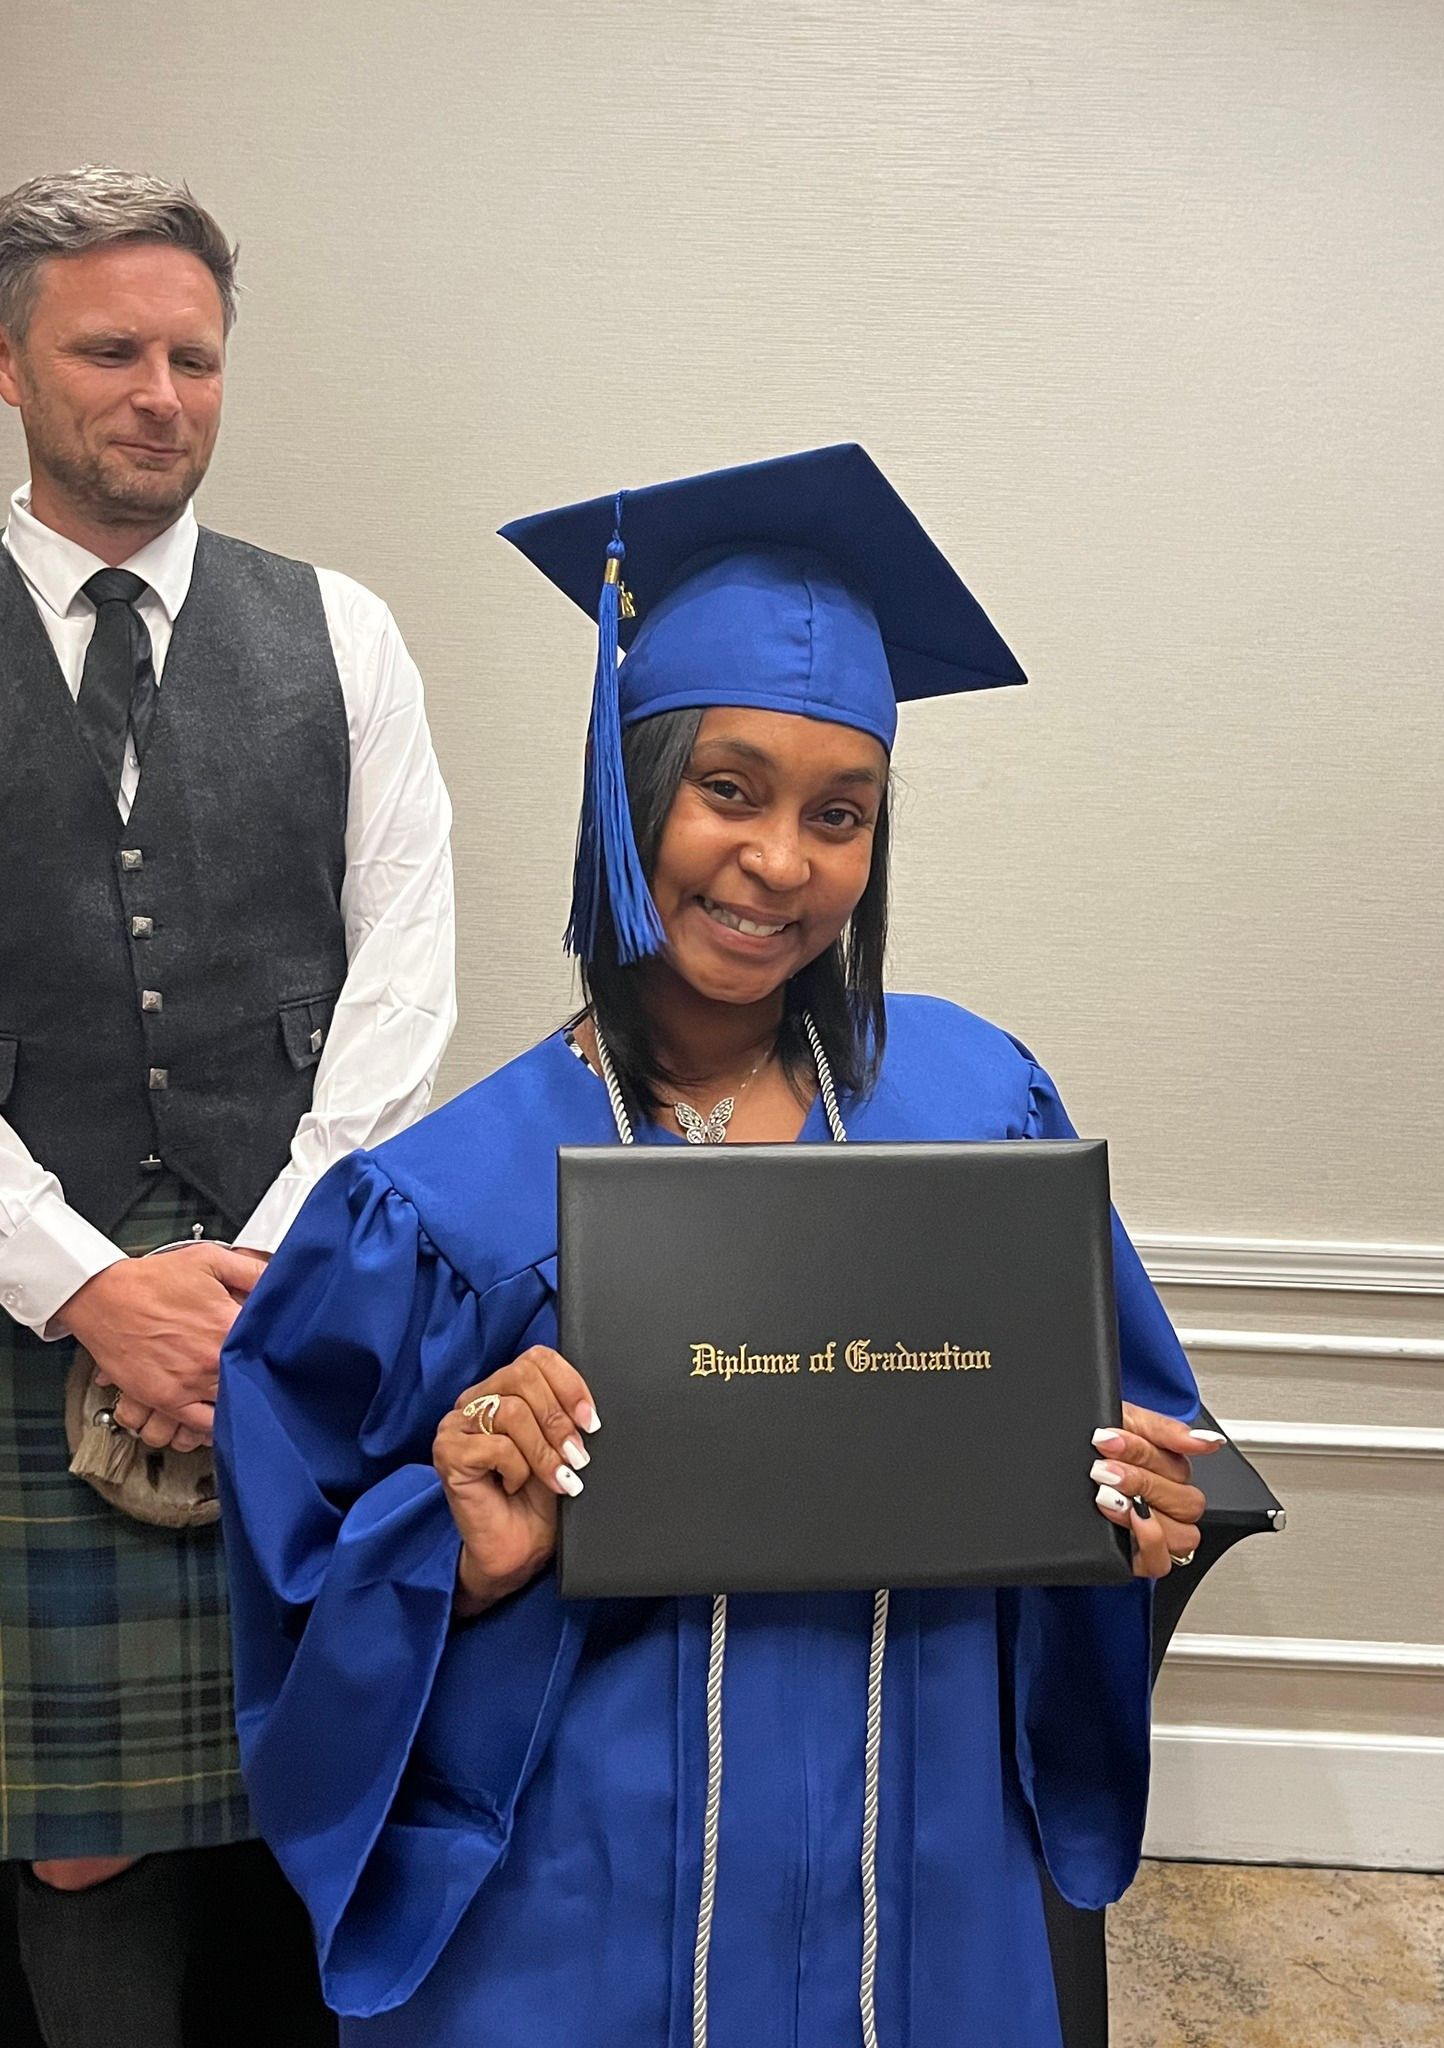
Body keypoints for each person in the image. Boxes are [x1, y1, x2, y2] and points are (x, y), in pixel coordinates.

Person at [218, 444, 1218, 2047]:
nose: (780, 863)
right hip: (571, 1924)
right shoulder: (447, 1203)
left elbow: (1148, 1448)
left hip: (921, 1899)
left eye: (843, 813)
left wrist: (1147, 1511)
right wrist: (455, 1556)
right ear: (632, 785)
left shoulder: (981, 1107)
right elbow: (300, 1595)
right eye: (728, 790)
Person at [0, 167, 455, 2047]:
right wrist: (83, 1280)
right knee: (84, 1839)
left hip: (297, 1319)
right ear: (12, 363)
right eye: (109, 348)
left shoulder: (340, 632)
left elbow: (403, 978)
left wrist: (266, 1265)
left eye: (194, 353)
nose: (159, 392)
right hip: (23, 1328)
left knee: (318, 1780)